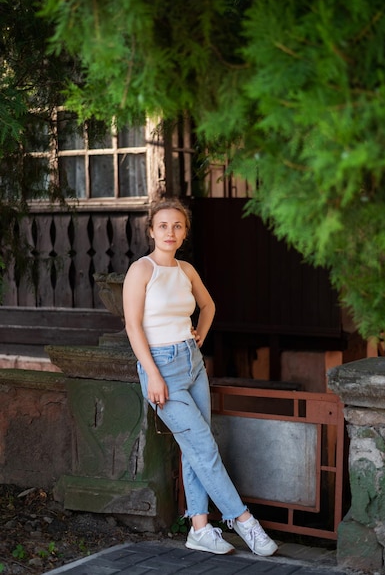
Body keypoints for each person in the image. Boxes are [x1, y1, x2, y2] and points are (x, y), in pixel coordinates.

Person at [123, 197, 279, 557]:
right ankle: (244, 521)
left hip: (192, 363)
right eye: (163, 225)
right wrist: (153, 375)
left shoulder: (186, 270)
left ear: (184, 232)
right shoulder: (141, 270)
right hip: (161, 368)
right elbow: (132, 326)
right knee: (205, 448)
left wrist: (199, 336)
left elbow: (207, 306)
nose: (170, 231)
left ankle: (199, 528)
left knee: (195, 447)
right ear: (151, 230)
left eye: (177, 226)